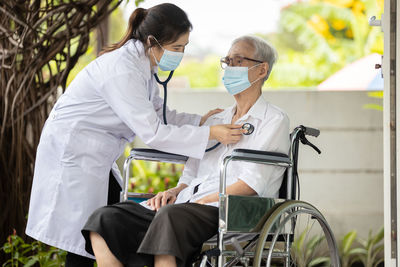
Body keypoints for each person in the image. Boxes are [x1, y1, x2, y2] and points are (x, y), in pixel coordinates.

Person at [25, 4, 244, 267]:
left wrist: (200, 121)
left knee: (103, 227)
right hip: (74, 153)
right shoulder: (122, 70)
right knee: (90, 234)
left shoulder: (143, 66)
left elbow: (158, 114)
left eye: (185, 47)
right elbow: (152, 132)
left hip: (95, 157)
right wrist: (209, 132)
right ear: (152, 42)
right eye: (176, 48)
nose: (181, 54)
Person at [82, 35, 290, 267]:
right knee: (105, 219)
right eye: (227, 61)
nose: (230, 67)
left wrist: (204, 201)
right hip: (187, 203)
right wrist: (175, 191)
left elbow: (252, 184)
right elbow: (191, 173)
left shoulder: (273, 120)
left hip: (230, 209)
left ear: (262, 70)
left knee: (169, 217)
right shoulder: (216, 120)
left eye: (238, 61)